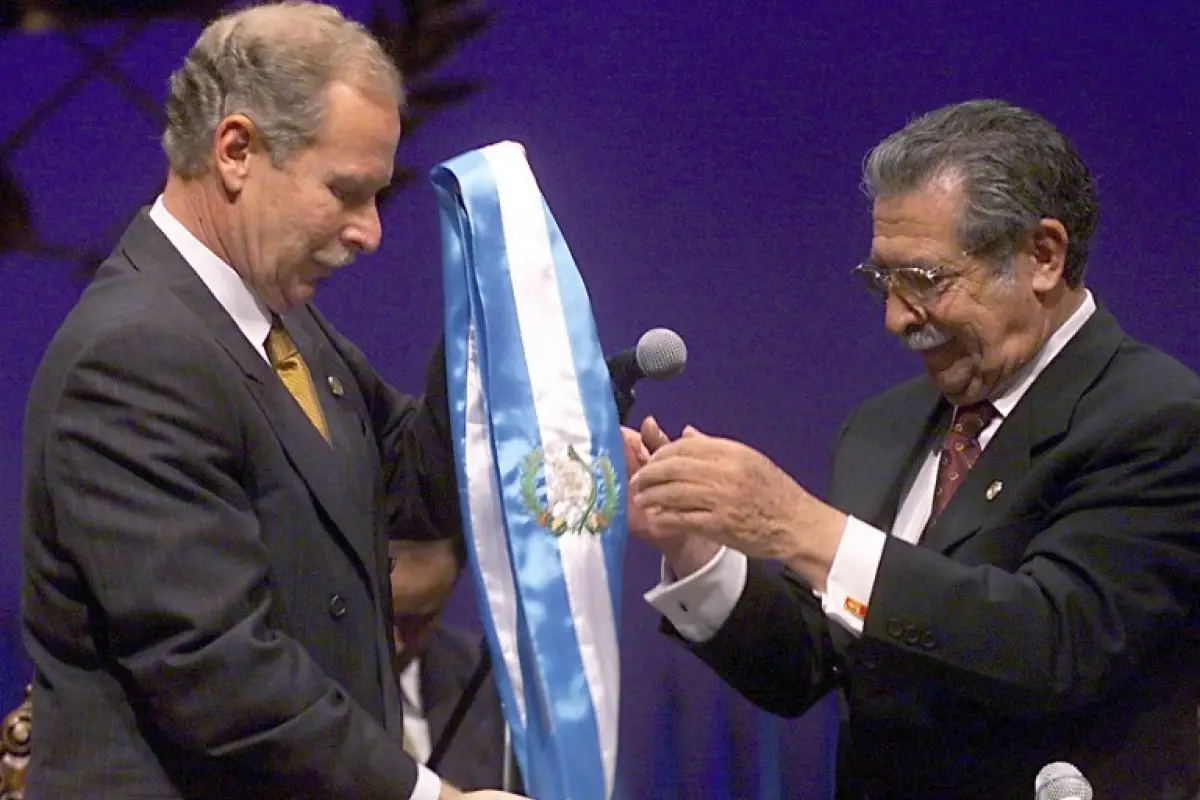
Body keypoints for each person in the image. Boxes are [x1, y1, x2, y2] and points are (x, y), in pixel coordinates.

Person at [19, 3, 526, 798]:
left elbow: (411, 480)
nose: (370, 233)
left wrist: (528, 362)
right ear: (236, 151)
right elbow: (214, 668)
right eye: (345, 192)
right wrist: (429, 796)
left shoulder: (281, 327)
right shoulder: (135, 354)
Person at [626, 99, 1200, 798]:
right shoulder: (883, 428)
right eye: (881, 281)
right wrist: (698, 548)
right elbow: (811, 669)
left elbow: (1051, 645)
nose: (896, 318)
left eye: (924, 281)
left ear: (1043, 256)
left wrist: (801, 527)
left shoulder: (1154, 416)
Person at [388, 537, 519, 792]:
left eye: (415, 620)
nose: (396, 643)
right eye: (382, 616)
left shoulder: (492, 682)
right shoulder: (299, 689)